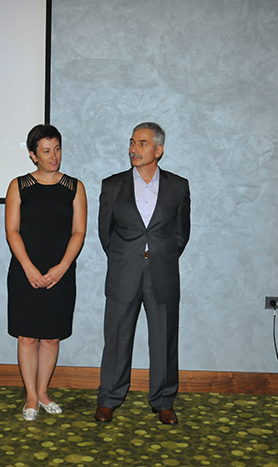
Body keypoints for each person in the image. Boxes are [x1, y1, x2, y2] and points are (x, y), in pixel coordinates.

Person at [95, 122, 191, 425]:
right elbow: (105, 233)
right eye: (132, 143)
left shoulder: (178, 186)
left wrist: (160, 255)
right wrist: (126, 257)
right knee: (116, 338)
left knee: (164, 340)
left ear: (158, 150)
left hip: (163, 273)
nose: (134, 149)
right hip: (123, 271)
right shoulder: (112, 185)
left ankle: (163, 401)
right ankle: (109, 399)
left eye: (142, 143)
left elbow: (181, 234)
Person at [5, 125, 87, 421]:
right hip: (24, 271)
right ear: (33, 155)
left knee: (52, 338)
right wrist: (28, 268)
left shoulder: (75, 187)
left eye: (57, 149)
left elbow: (78, 232)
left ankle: (42, 393)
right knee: (27, 337)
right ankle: (30, 396)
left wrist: (62, 268)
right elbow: (12, 231)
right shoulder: (18, 185)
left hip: (60, 273)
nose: (54, 156)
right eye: (46, 151)